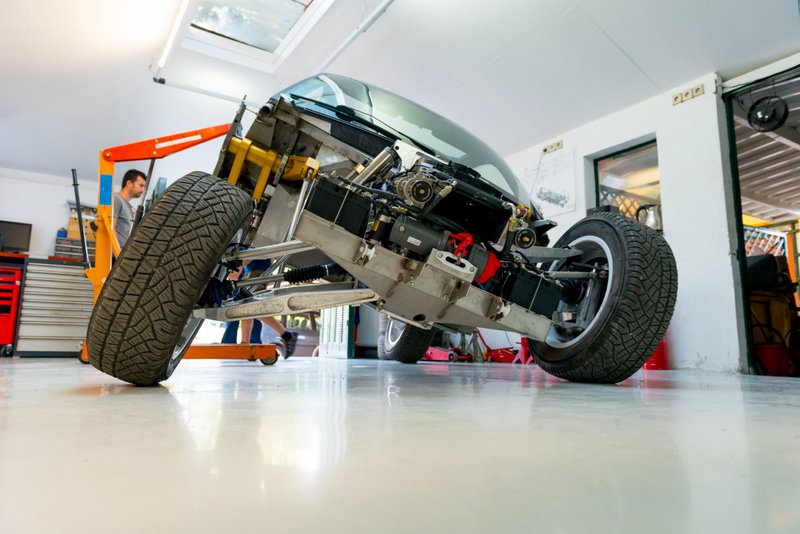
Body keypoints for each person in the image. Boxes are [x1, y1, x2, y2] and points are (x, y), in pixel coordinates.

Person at [220, 259, 299, 357]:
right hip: (252, 272)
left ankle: (286, 334)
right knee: (246, 308)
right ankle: (245, 343)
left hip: (257, 272)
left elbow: (253, 252)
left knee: (250, 308)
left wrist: (239, 267)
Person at [113, 169, 146, 251]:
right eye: (141, 185)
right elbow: (111, 229)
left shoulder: (128, 206)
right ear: (129, 183)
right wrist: (118, 255)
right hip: (115, 255)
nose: (142, 190)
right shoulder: (116, 199)